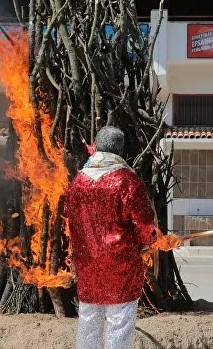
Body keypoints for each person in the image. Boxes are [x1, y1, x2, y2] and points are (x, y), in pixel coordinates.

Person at [64, 126, 157, 349]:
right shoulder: (126, 180)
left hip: (88, 263)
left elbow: (70, 217)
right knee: (120, 320)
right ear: (120, 149)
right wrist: (149, 241)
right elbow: (144, 221)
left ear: (97, 146)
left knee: (88, 318)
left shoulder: (78, 182)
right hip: (121, 263)